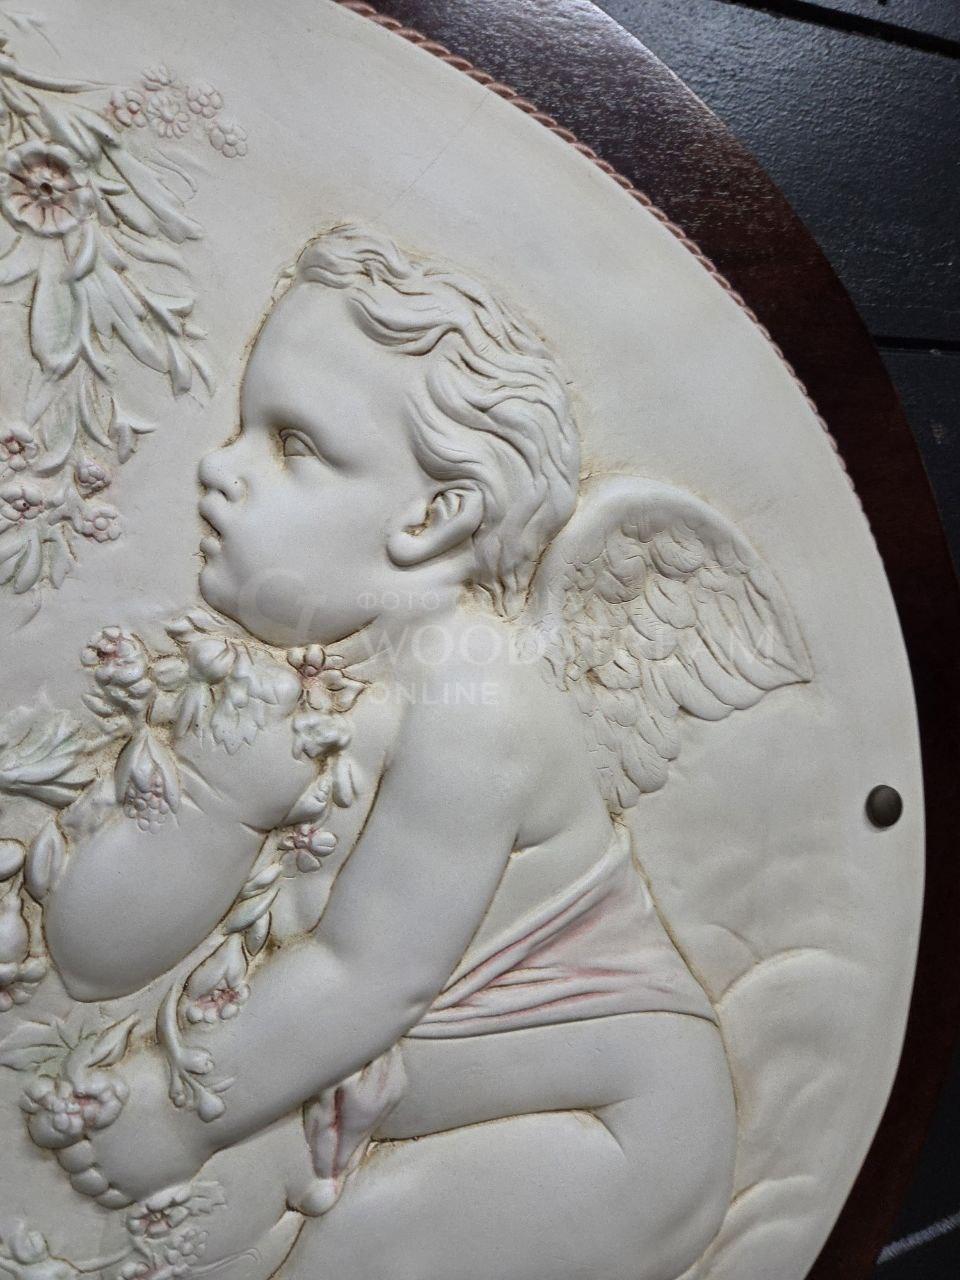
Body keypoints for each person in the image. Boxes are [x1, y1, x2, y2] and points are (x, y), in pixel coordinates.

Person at [38, 225, 812, 1280]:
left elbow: (368, 973)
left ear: (434, 515)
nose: (219, 468)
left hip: (618, 1124)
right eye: (243, 428)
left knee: (350, 1258)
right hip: (455, 1082)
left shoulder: (471, 693)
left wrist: (177, 1111)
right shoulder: (330, 672)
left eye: (292, 445)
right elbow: (129, 945)